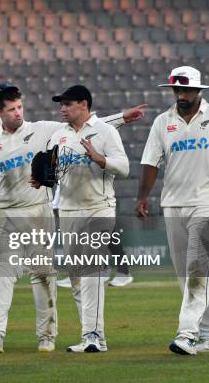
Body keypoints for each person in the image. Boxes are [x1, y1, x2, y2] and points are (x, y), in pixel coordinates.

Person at [0, 84, 143, 353]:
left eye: (19, 107)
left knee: (50, 275)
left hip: (46, 212)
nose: (17, 113)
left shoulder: (42, 130)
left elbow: (89, 125)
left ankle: (56, 336)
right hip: (14, 214)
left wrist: (122, 117)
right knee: (9, 274)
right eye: (11, 109)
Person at [137, 66, 209, 355]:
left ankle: (186, 334)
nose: (181, 95)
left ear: (199, 91)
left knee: (198, 268)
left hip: (208, 202)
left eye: (186, 90)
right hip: (173, 203)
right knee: (187, 275)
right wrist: (142, 196)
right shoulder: (163, 122)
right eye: (177, 90)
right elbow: (150, 162)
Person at [35, 85, 130, 353]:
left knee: (90, 272)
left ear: (84, 105)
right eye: (61, 104)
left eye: (67, 104)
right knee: (77, 278)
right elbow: (51, 173)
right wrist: (40, 178)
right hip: (68, 211)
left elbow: (123, 167)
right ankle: (95, 335)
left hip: (99, 209)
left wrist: (100, 159)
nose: (62, 109)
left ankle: (90, 335)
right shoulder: (59, 137)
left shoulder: (105, 131)